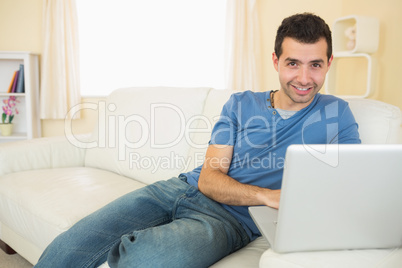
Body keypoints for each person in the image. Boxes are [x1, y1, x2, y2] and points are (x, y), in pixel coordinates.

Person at [35, 13, 360, 268]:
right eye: (293, 63)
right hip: (178, 189)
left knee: (145, 260)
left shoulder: (337, 115)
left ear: (329, 63)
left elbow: (351, 185)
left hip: (231, 220)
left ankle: (139, 244)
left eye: (315, 65)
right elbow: (209, 178)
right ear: (276, 62)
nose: (304, 78)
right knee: (74, 243)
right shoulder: (240, 103)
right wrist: (267, 195)